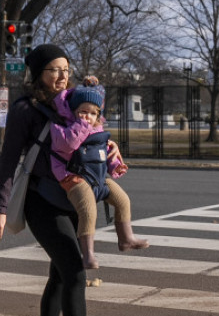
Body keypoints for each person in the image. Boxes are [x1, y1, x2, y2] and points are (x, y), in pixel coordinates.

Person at [0, 44, 111, 316]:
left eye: (65, 69)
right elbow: (8, 160)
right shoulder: (25, 109)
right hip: (41, 202)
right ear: (38, 74)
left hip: (71, 199)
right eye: (54, 69)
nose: (61, 75)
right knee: (74, 270)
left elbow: (91, 128)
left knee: (60, 273)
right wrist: (0, 208)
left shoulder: (72, 103)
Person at [48, 75, 149, 269]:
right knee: (88, 210)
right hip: (73, 177)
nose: (87, 116)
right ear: (73, 111)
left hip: (97, 177)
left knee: (123, 200)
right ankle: (88, 255)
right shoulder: (62, 128)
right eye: (82, 112)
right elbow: (68, 144)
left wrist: (115, 165)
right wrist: (81, 126)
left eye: (92, 114)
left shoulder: (98, 132)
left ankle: (126, 238)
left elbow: (103, 155)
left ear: (98, 116)